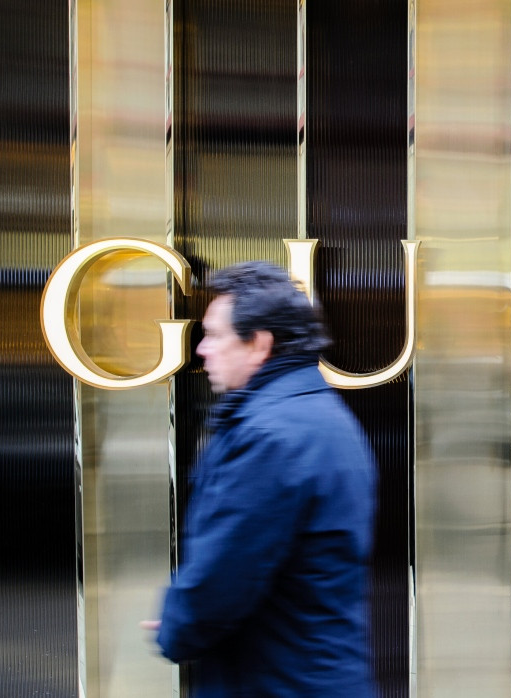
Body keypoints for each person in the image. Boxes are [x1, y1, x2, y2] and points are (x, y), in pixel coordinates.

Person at [143, 261, 378, 697]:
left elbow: (226, 574)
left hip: (275, 681)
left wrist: (177, 626)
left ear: (259, 345)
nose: (201, 351)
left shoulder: (270, 435)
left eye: (215, 336)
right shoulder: (322, 418)